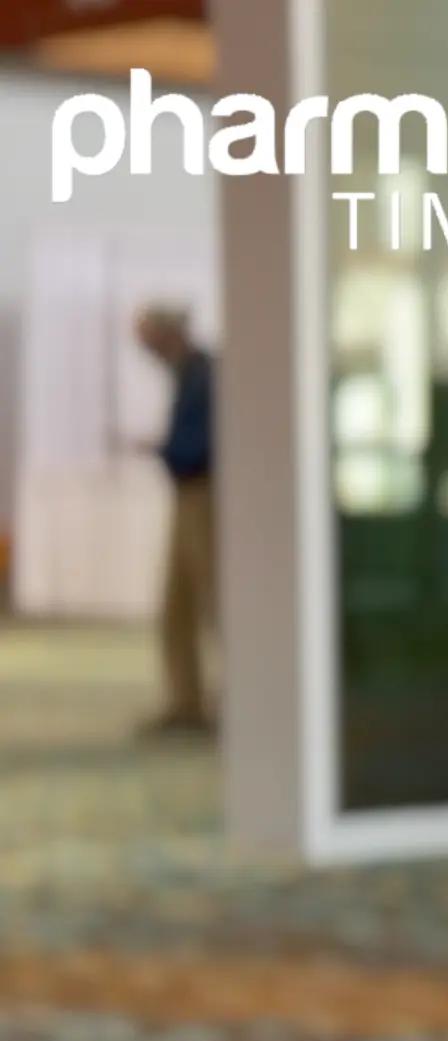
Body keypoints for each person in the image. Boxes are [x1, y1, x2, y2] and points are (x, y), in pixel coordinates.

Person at [135, 305, 216, 737]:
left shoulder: (204, 375)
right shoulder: (187, 374)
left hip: (206, 495)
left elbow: (201, 443)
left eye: (147, 337)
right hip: (188, 494)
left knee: (214, 600)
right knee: (177, 605)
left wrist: (165, 448)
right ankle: (185, 703)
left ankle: (237, 701)